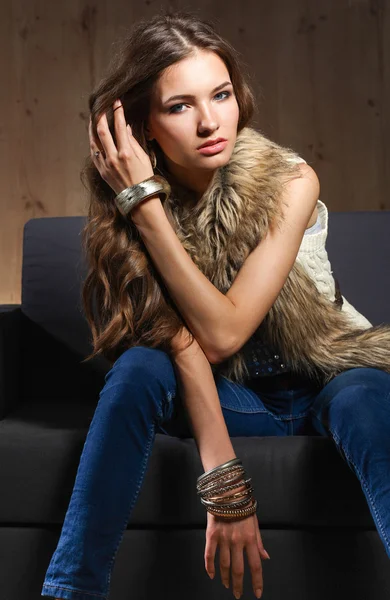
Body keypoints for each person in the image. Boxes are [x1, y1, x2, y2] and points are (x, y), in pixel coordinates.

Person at [41, 9, 390, 600]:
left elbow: (224, 331)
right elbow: (180, 339)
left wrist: (143, 206)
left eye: (222, 95)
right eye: (180, 106)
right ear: (142, 127)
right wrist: (224, 481)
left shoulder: (290, 181)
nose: (210, 122)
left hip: (326, 376)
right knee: (137, 368)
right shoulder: (127, 207)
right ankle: (70, 591)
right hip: (233, 397)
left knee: (365, 398)